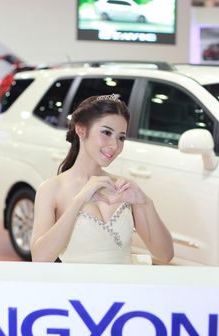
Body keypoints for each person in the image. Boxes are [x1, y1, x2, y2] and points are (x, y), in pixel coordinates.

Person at [31, 94, 174, 264]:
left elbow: (165, 255)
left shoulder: (123, 188)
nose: (115, 145)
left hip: (123, 288)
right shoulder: (52, 188)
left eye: (121, 137)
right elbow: (39, 259)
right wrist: (79, 201)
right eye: (106, 132)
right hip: (78, 289)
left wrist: (146, 202)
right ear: (81, 130)